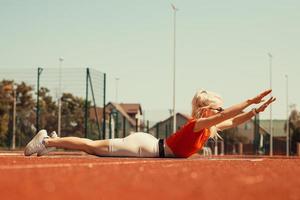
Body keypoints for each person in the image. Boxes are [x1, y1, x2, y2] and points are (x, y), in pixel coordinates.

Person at [24, 89, 276, 158]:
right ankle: (47, 140)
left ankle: (53, 139)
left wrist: (256, 111)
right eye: (218, 107)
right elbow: (226, 115)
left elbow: (232, 120)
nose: (222, 111)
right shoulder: (198, 124)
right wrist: (250, 100)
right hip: (145, 148)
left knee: (93, 147)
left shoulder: (209, 128)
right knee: (91, 146)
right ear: (207, 109)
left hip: (150, 146)